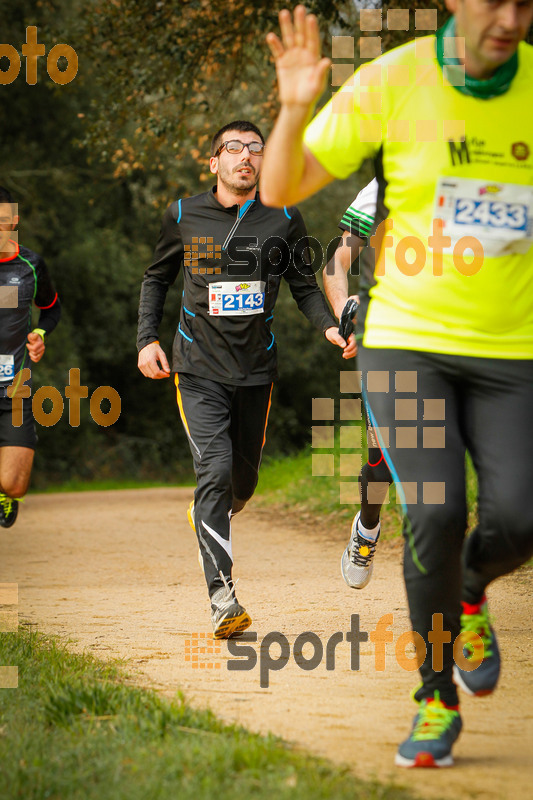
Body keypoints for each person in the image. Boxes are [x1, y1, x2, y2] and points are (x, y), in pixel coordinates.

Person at [262, 1, 533, 768]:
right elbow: (283, 188)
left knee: (519, 515)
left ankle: (471, 589)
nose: (509, 17)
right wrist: (291, 108)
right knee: (436, 509)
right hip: (406, 345)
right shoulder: (393, 81)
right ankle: (434, 695)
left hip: (515, 352)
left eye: (524, 0)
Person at [137, 120, 352, 638]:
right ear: (214, 162)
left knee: (241, 483)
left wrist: (326, 326)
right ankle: (222, 599)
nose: (245, 157)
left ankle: (209, 511)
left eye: (256, 149)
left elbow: (303, 284)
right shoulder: (184, 214)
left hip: (256, 370)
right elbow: (156, 277)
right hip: (197, 369)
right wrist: (147, 338)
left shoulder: (284, 218)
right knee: (213, 471)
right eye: (233, 148)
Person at [324, 179, 393, 590]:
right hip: (390, 340)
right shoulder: (390, 176)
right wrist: (345, 309)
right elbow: (337, 262)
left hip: (475, 342)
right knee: (381, 461)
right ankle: (367, 528)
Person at [0, 186, 61, 527]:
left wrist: (39, 333)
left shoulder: (30, 265)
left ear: (14, 222)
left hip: (15, 390)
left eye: (2, 223)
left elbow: (51, 309)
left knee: (15, 484)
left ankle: (5, 492)